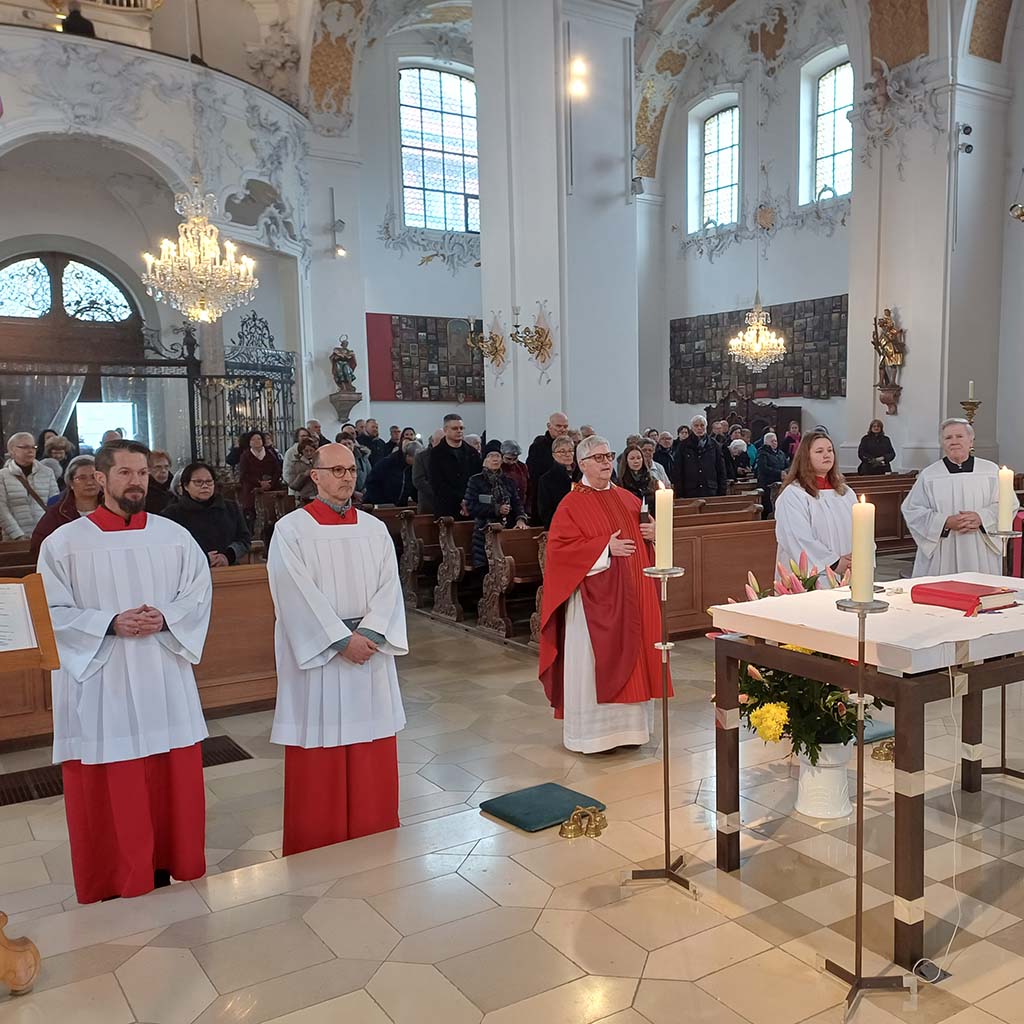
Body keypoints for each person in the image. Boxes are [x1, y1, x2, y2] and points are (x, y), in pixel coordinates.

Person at [37, 439, 212, 903]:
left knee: (169, 771)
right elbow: (48, 611)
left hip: (162, 670)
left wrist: (167, 617)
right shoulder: (64, 543)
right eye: (125, 473)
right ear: (100, 478)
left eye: (142, 473)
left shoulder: (173, 536)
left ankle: (172, 861)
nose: (137, 481)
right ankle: (117, 873)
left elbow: (198, 592)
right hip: (103, 678)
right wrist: (107, 623)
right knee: (116, 778)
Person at [267, 443, 408, 855]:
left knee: (371, 742)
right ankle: (319, 837)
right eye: (337, 470)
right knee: (321, 743)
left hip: (370, 650)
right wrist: (341, 639)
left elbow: (389, 587)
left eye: (351, 470)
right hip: (323, 657)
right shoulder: (291, 530)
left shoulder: (373, 527)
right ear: (315, 477)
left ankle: (374, 827)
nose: (347, 477)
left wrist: (372, 635)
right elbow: (292, 592)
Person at [538, 435, 668, 752]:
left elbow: (650, 538)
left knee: (635, 656)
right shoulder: (571, 504)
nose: (606, 462)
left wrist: (655, 533)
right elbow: (559, 551)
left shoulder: (628, 498)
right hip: (594, 602)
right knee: (595, 661)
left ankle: (631, 733)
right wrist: (604, 549)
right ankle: (594, 737)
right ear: (582, 464)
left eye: (609, 456)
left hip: (635, 595)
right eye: (598, 458)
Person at [902, 418, 1014, 576]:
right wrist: (944, 522)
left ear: (971, 441)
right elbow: (912, 510)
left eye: (959, 436)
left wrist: (981, 517)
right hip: (944, 548)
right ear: (942, 443)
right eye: (948, 438)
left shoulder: (991, 471)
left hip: (981, 547)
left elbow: (1008, 505)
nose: (953, 441)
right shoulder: (930, 474)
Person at [774, 430, 857, 579]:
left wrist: (857, 559)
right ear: (806, 457)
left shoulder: (845, 493)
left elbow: (862, 529)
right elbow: (797, 537)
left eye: (830, 450)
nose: (827, 455)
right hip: (815, 575)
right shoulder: (794, 494)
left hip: (850, 571)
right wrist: (834, 563)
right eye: (819, 451)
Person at [162, 462, 251, 567]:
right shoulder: (172, 514)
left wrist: (227, 556)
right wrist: (200, 558)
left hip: (227, 569)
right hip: (190, 572)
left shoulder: (230, 508)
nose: (205, 486)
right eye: (198, 482)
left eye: (209, 482)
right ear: (186, 486)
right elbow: (167, 547)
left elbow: (244, 539)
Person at [464, 449, 528, 567]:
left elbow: (517, 503)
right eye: (491, 456)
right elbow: (471, 506)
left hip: (505, 531)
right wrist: (496, 509)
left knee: (505, 568)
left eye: (498, 456)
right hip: (483, 533)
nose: (495, 459)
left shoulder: (508, 481)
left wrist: (520, 518)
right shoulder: (475, 481)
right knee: (485, 569)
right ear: (485, 460)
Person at [30, 456, 99, 559]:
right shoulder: (57, 513)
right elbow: (39, 546)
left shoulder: (114, 509)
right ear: (71, 483)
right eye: (82, 478)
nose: (89, 482)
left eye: (94, 477)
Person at [0, 431, 59, 540]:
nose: (31, 450)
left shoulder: (47, 472)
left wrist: (51, 531)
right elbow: (2, 510)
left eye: (33, 447)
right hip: (15, 539)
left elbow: (55, 504)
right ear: (12, 450)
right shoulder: (2, 476)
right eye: (25, 447)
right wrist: (18, 535)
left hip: (46, 535)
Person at [429, 414, 481, 518]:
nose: (459, 431)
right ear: (445, 430)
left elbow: (478, 478)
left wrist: (468, 499)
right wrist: (460, 499)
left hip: (471, 505)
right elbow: (437, 483)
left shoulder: (472, 452)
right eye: (455, 428)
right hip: (446, 507)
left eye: (461, 428)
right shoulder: (436, 454)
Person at [238, 430, 283, 528]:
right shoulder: (245, 456)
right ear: (249, 442)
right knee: (250, 512)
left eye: (259, 439)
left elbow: (278, 470)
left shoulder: (270, 453)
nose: (257, 441)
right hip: (252, 488)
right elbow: (244, 474)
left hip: (270, 486)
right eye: (253, 439)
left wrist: (271, 482)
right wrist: (259, 483)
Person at [527, 412, 570, 515]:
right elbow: (534, 475)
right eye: (558, 426)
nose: (562, 429)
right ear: (549, 426)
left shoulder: (571, 446)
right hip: (545, 499)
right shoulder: (538, 447)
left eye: (565, 426)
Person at [674, 415, 727, 498]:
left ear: (706, 427)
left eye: (702, 425)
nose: (699, 428)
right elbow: (678, 470)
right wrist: (680, 492)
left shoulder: (714, 445)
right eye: (696, 426)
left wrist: (722, 491)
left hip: (710, 490)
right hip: (690, 490)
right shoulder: (683, 446)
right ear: (692, 428)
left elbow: (721, 469)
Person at [364, 441, 420, 506]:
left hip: (399, 506)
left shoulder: (411, 468)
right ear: (408, 456)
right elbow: (371, 482)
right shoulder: (386, 463)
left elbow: (413, 488)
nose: (417, 462)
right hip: (379, 505)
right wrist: (381, 502)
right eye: (415, 459)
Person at [537, 436, 576, 529]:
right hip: (560, 527)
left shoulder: (582, 475)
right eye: (562, 451)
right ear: (554, 455)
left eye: (570, 450)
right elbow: (545, 511)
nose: (567, 454)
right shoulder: (546, 479)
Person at [756, 432, 790, 515]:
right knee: (769, 508)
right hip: (768, 484)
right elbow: (764, 468)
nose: (775, 443)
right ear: (766, 442)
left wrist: (785, 472)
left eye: (776, 441)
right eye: (772, 441)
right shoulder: (762, 453)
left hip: (781, 484)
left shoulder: (781, 453)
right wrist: (779, 473)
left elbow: (787, 465)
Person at [413, 428, 443, 514]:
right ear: (432, 441)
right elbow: (418, 480)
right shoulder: (421, 457)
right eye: (439, 441)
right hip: (428, 503)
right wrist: (437, 492)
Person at [285, 438, 319, 504]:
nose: (309, 453)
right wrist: (304, 475)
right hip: (304, 499)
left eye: (311, 450)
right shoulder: (296, 465)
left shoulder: (319, 463)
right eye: (306, 451)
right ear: (301, 451)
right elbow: (292, 485)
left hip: (319, 497)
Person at [500, 440, 529, 505]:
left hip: (521, 505)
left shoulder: (522, 466)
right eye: (508, 459)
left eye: (515, 459)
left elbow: (529, 487)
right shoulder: (498, 468)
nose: (512, 462)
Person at [145, 450, 175, 514]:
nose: (163, 471)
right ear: (148, 469)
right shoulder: (144, 492)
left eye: (166, 467)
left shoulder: (175, 489)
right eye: (158, 467)